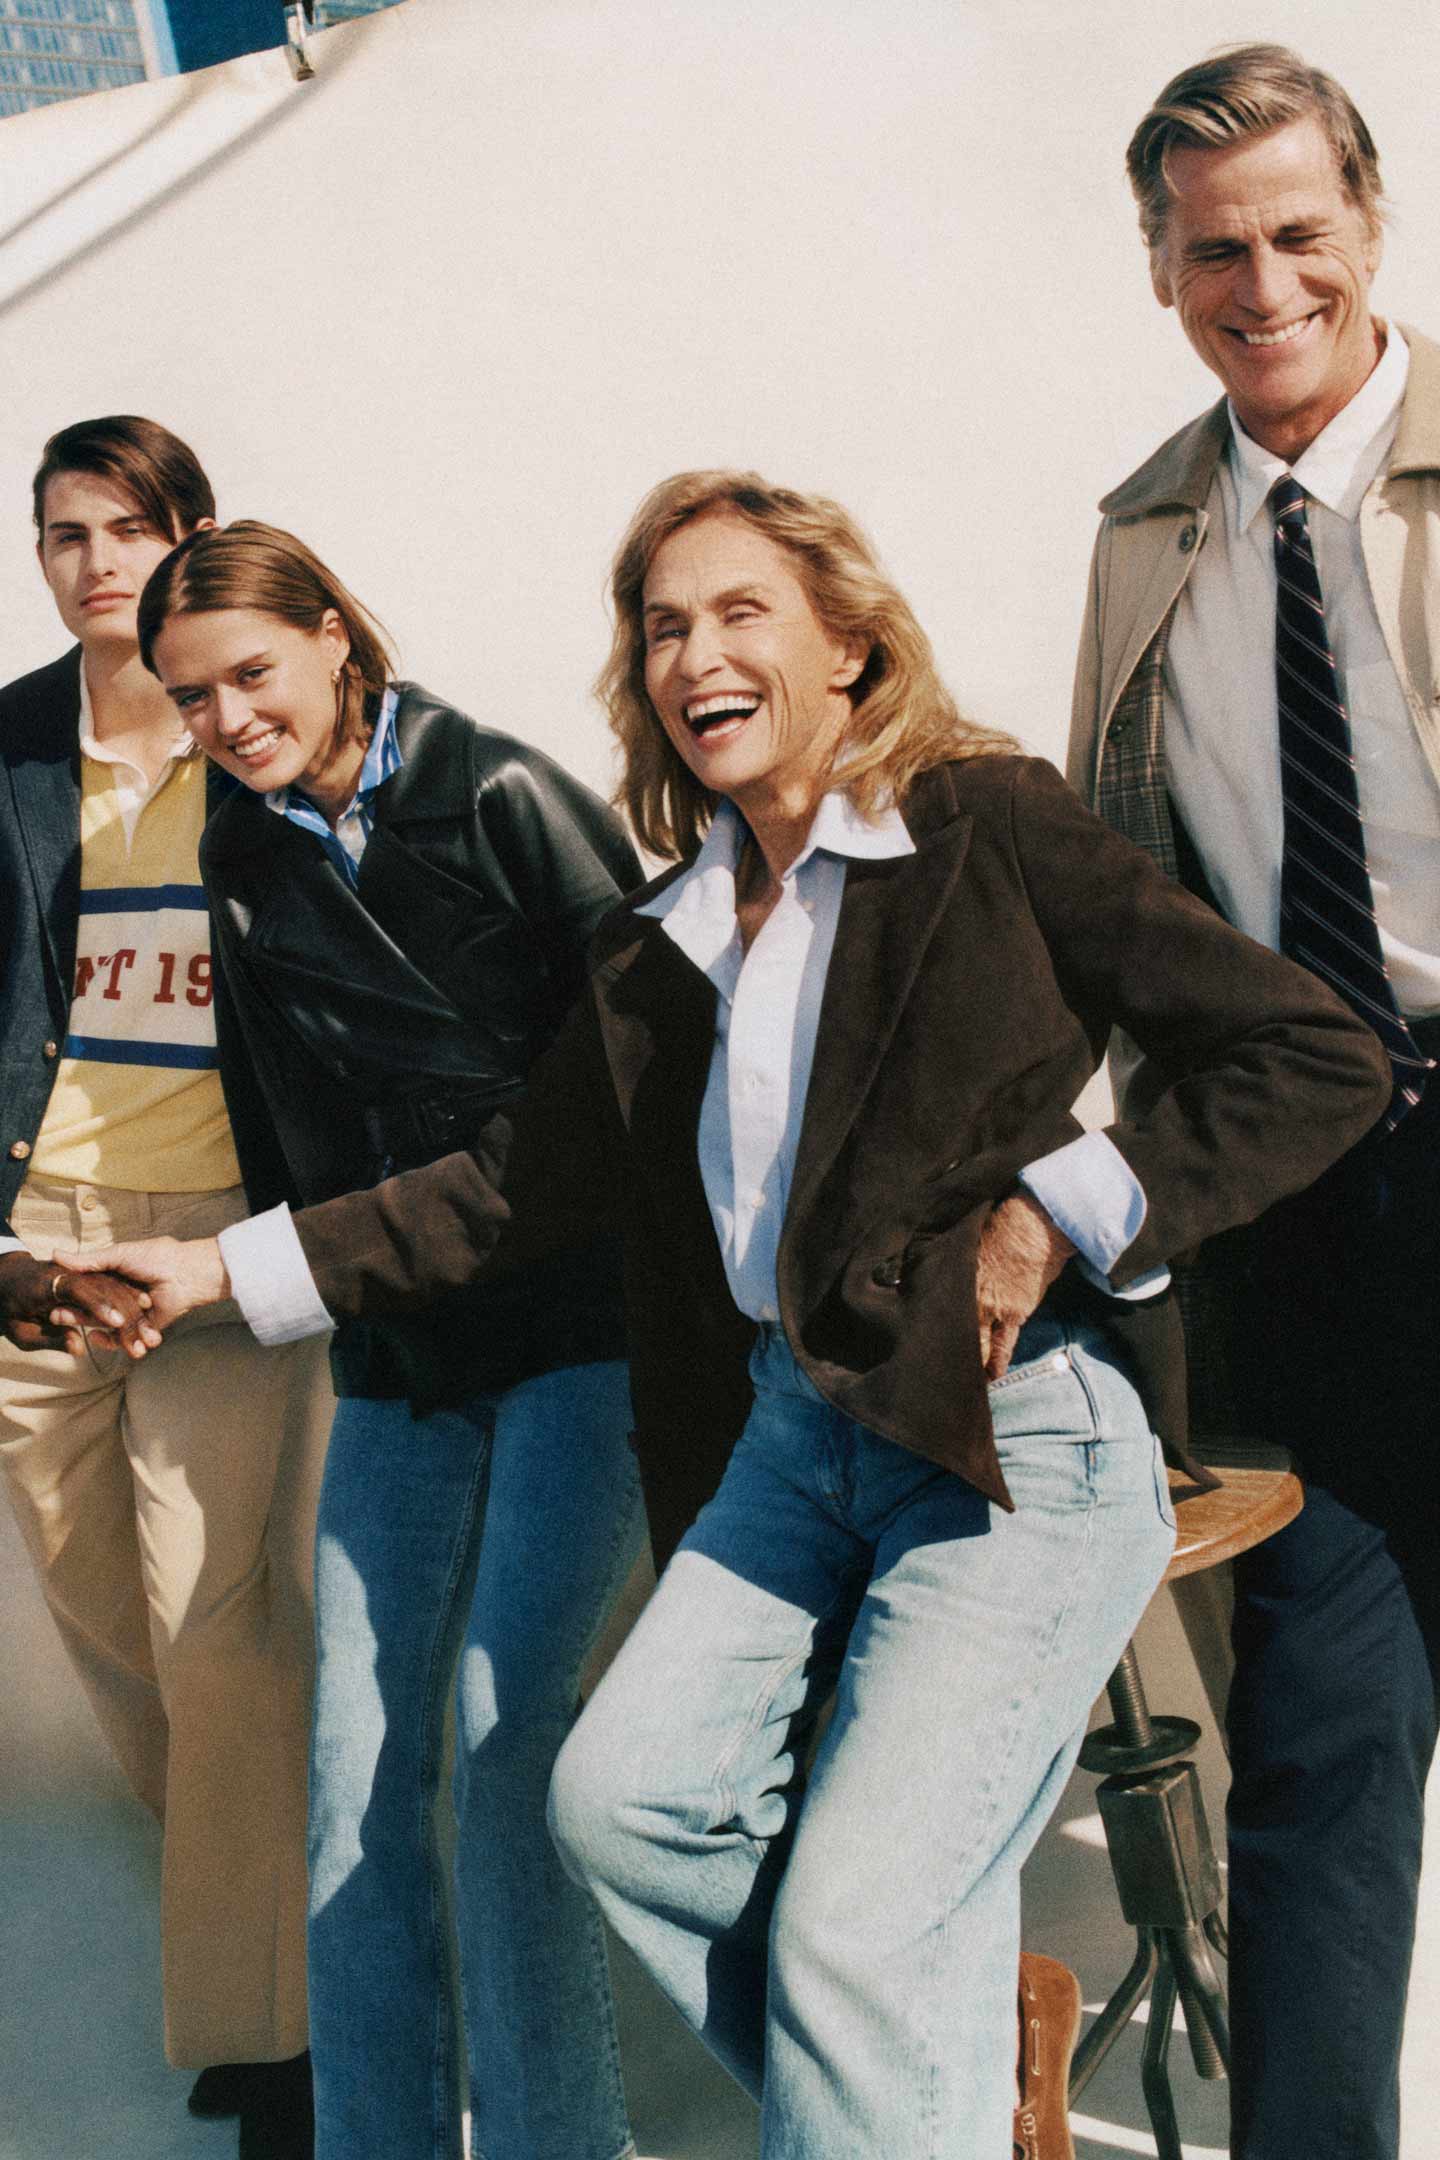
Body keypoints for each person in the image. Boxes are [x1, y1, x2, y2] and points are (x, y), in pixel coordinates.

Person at [75, 470, 1389, 2159]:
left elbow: (1309, 1055)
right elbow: (505, 1191)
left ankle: (905, 2077)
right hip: (791, 1446)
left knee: (850, 1929)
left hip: (1014, 1437)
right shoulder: (664, 943)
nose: (697, 652)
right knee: (622, 1809)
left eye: (741, 610)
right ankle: (939, 2093)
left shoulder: (983, 825)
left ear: (849, 643)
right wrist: (218, 1271)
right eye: (664, 626)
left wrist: (1051, 1216)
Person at [129, 519, 647, 2160]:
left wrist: (264, 1271)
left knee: (505, 1765)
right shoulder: (236, 842)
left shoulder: (506, 797)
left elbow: (636, 1096)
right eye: (188, 696)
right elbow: (276, 1108)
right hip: (398, 1355)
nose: (226, 721)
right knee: (349, 1774)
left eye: (250, 674)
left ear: (335, 635)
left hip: (579, 1335)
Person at [1066, 46, 1440, 2159]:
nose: (1266, 283)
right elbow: (1118, 904)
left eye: (1302, 232)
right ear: (1159, 270)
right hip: (1294, 1203)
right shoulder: (1146, 537)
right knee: (1312, 1748)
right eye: (1217, 249)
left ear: (1371, 225)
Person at [0, 420, 334, 2158]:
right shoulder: (8, 747)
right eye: (67, 533)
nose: (98, 563)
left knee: (217, 1630)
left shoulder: (249, 732)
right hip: (37, 1242)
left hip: (211, 1237)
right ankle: (255, 1939)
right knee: (112, 1637)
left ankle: (271, 2036)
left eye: (129, 528)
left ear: (193, 534)